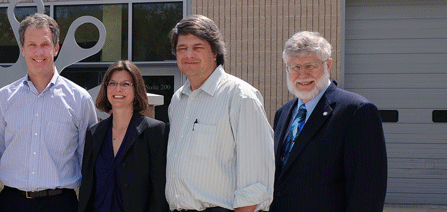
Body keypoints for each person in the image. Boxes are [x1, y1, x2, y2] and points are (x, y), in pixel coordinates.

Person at [0, 13, 98, 212]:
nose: (38, 52)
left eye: (45, 44)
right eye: (32, 45)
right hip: (11, 203)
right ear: (22, 49)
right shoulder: (3, 98)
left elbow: (87, 158)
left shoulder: (79, 99)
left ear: (55, 49)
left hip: (60, 204)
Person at [166, 15, 274, 212]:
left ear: (214, 52)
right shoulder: (178, 101)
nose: (189, 54)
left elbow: (256, 182)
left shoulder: (241, 97)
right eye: (182, 48)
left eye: (198, 48)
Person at [270, 31, 387, 212]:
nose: (302, 74)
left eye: (311, 65)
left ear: (328, 64)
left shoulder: (357, 111)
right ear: (286, 67)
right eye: (295, 67)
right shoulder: (283, 114)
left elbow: (368, 191)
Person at [78, 60, 168, 212]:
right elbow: (87, 188)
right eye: (112, 83)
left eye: (125, 84)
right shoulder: (94, 133)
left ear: (136, 89)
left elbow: (159, 193)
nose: (117, 89)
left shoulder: (154, 131)